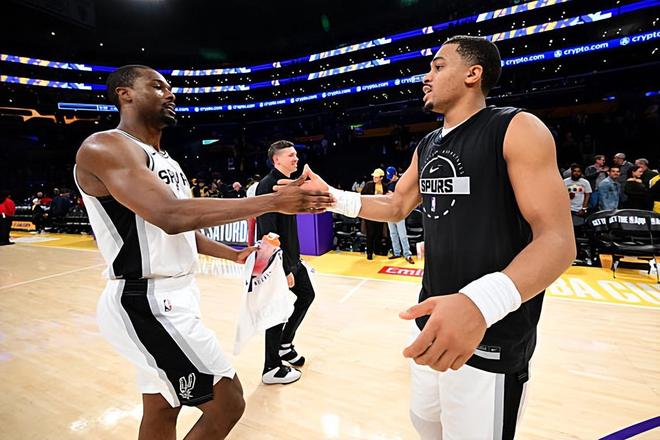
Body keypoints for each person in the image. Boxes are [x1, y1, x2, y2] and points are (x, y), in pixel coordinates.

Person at [277, 36, 575, 439]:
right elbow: (397, 204)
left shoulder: (516, 127)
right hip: (430, 318)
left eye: (438, 66)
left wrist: (479, 303)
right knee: (427, 425)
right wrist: (332, 198)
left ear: (473, 74)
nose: (426, 77)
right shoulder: (429, 143)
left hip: (490, 329)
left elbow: (557, 241)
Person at [74, 65, 333, 440]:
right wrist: (272, 202)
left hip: (174, 294)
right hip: (144, 299)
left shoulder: (168, 161)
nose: (170, 93)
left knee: (163, 406)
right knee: (228, 402)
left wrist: (233, 254)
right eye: (158, 86)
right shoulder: (105, 146)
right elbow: (170, 216)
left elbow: (181, 229)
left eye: (170, 87)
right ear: (124, 94)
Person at [255, 140, 317, 384]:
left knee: (307, 295)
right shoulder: (267, 186)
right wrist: (283, 269)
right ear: (276, 160)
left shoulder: (288, 184)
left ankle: (284, 344)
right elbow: (269, 233)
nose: (296, 158)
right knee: (276, 311)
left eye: (296, 154)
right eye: (290, 155)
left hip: (291, 259)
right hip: (276, 262)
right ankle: (271, 367)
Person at [385, 166, 414, 264]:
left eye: (391, 176)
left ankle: (407, 254)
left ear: (395, 174)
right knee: (393, 233)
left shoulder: (401, 183)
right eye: (389, 177)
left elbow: (403, 196)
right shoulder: (389, 184)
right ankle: (397, 252)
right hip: (390, 212)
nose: (390, 179)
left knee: (402, 234)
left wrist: (393, 195)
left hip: (399, 212)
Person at [361, 168, 389, 260]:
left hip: (380, 214)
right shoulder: (368, 185)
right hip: (370, 213)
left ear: (381, 178)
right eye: (374, 177)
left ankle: (377, 251)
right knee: (370, 233)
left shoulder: (385, 186)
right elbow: (362, 196)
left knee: (379, 233)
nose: (374, 178)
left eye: (376, 177)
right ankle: (369, 253)